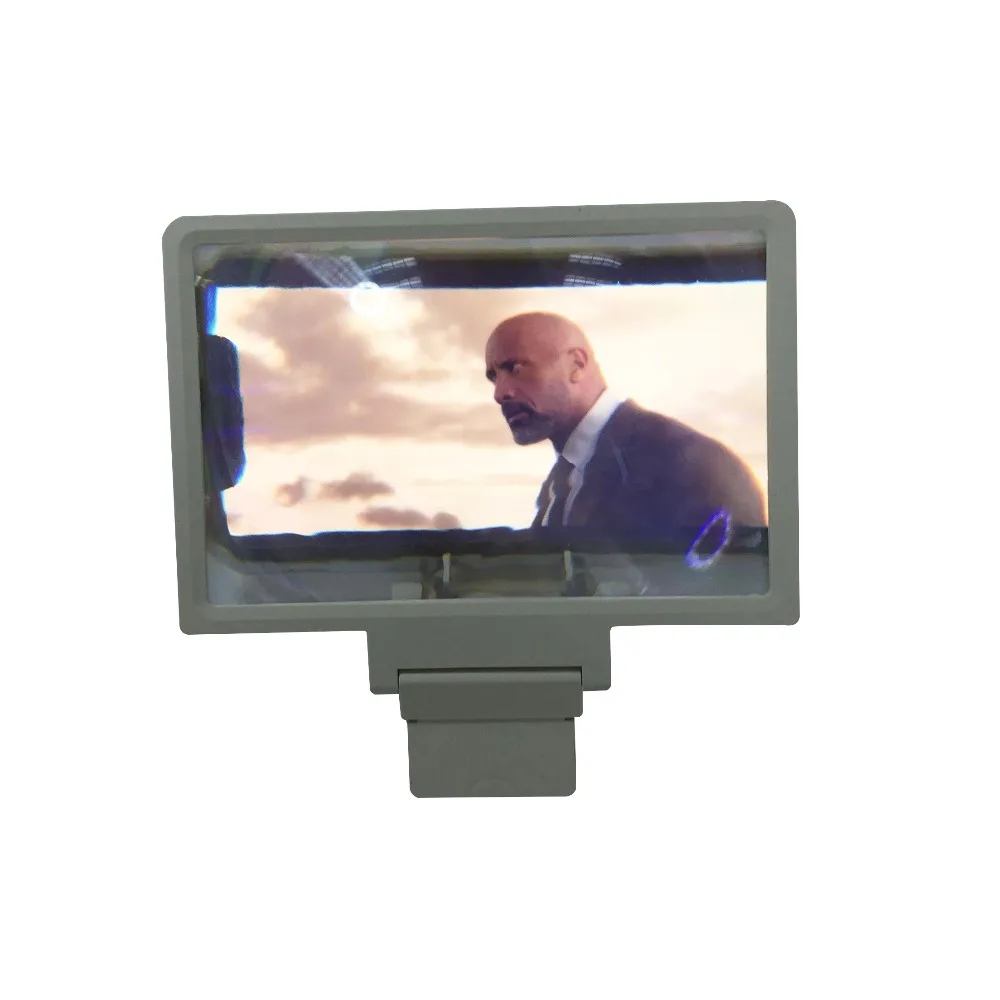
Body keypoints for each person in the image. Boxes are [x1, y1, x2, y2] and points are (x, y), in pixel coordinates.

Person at [484, 311, 766, 547]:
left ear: (576, 364)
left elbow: (730, 589)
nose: (500, 393)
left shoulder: (691, 464)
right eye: (494, 377)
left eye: (516, 368)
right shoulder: (563, 480)